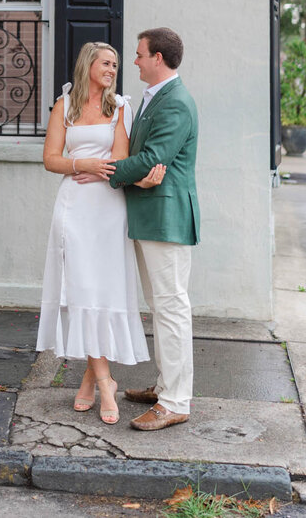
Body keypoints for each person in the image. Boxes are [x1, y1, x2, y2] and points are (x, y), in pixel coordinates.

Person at [36, 41, 165, 425]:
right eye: (107, 63)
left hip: (108, 210)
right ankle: (106, 380)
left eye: (117, 65)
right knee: (80, 289)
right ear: (88, 64)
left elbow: (121, 161)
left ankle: (90, 380)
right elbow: (50, 159)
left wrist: (99, 170)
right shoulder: (66, 106)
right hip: (73, 210)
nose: (113, 69)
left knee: (103, 291)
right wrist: (83, 163)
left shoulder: (120, 107)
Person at [101, 27, 200, 431]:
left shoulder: (175, 102)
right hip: (150, 214)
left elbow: (153, 158)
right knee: (161, 308)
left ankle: (176, 401)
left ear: (158, 57)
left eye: (140, 54)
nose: (135, 60)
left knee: (172, 308)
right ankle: (165, 387)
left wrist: (103, 170)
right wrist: (134, 172)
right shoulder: (155, 98)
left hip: (166, 217)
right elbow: (143, 160)